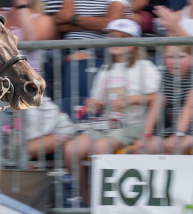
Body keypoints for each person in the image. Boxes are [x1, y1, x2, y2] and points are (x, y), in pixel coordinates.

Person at [63, 19, 159, 204]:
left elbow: (156, 98)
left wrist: (131, 99)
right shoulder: (106, 69)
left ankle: (107, 205)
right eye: (112, 36)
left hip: (132, 125)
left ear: (133, 43)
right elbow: (97, 100)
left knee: (101, 148)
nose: (115, 41)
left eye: (122, 37)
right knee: (70, 150)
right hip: (105, 125)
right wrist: (93, 103)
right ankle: (87, 202)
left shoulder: (144, 67)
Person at [131, 43, 193, 155]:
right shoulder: (166, 73)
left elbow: (190, 106)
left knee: (174, 147)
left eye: (181, 57)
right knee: (143, 148)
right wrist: (145, 135)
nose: (175, 62)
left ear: (192, 57)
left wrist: (178, 134)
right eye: (170, 57)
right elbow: (156, 105)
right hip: (175, 126)